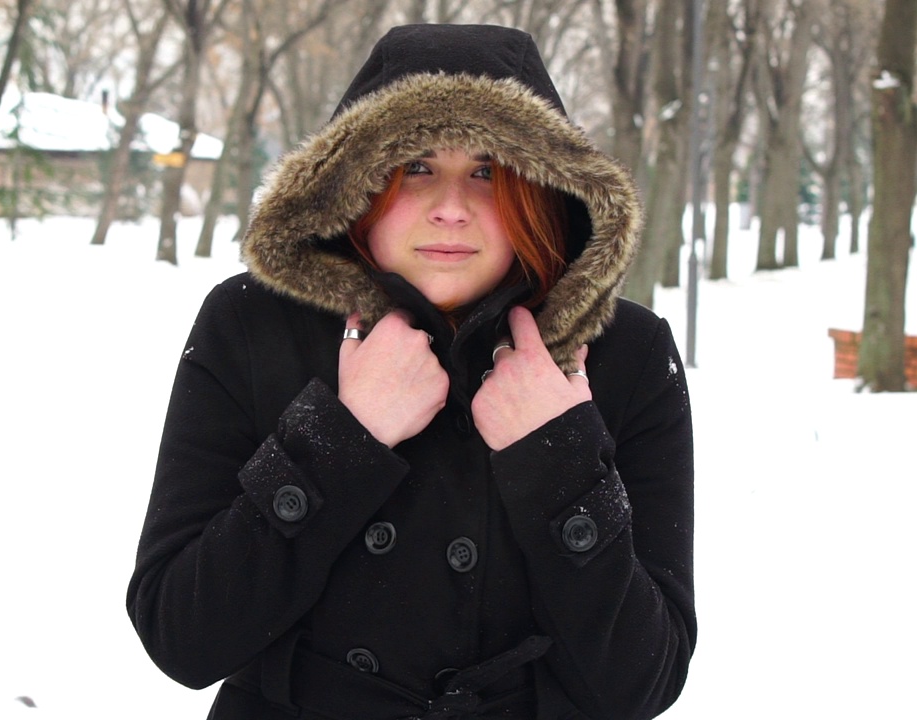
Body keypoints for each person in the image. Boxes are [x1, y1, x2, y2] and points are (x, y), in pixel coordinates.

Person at [127, 24, 694, 720]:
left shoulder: (624, 353)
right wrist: (340, 438)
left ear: (545, 189)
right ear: (352, 185)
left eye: (488, 171)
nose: (451, 208)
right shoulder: (250, 327)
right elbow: (181, 635)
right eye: (416, 166)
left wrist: (559, 460)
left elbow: (646, 679)